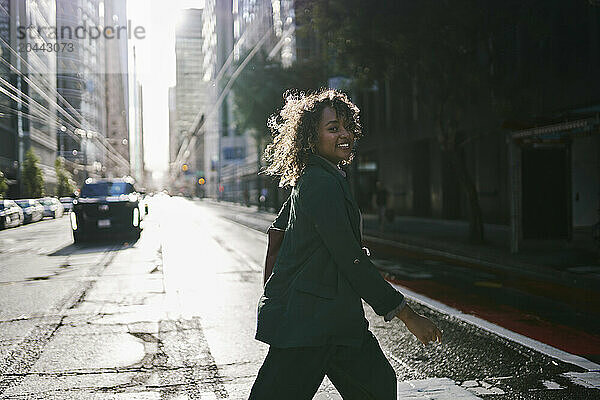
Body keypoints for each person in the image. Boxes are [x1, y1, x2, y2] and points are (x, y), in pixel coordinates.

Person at [250, 89, 442, 400]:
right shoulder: (320, 183)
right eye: (333, 128)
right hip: (309, 325)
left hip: (336, 323)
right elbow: (351, 259)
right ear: (312, 136)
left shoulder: (319, 177)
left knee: (378, 385)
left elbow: (279, 233)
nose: (345, 135)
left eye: (348, 126)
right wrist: (407, 315)